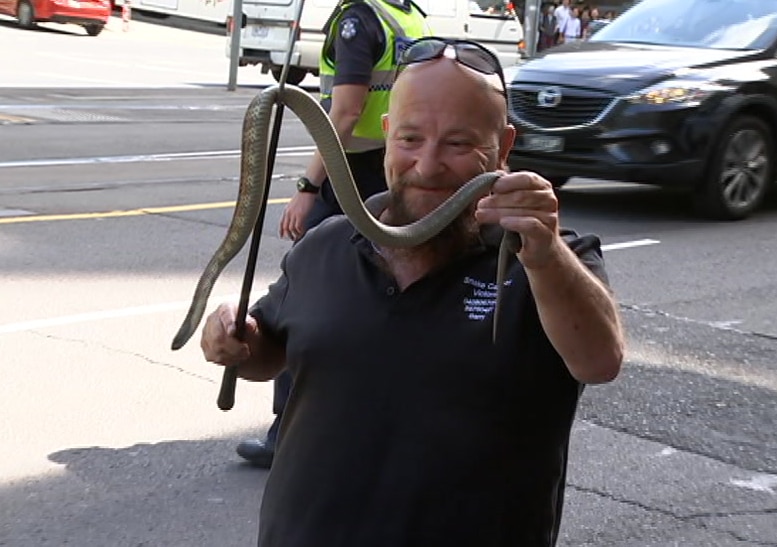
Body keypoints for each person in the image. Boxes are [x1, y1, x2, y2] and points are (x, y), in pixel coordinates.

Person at [203, 37, 624, 546]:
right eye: (410, 139)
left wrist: (545, 253)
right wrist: (233, 334)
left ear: (504, 147)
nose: (427, 165)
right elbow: (266, 350)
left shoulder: (547, 260)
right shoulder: (328, 244)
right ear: (386, 136)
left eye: (458, 143)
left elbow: (600, 361)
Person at [234, 0, 430, 468]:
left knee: (307, 297)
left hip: (350, 176)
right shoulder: (405, 14)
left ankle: (288, 431)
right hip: (388, 175)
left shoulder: (358, 20)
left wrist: (308, 186)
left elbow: (344, 113)